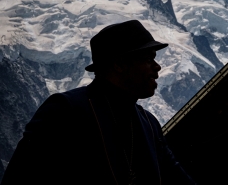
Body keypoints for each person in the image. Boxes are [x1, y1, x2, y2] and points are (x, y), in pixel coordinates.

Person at [1, 20, 196, 185]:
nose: (157, 67)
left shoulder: (150, 124)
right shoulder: (65, 111)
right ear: (119, 64)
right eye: (147, 59)